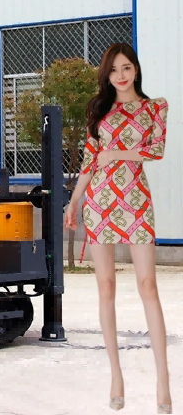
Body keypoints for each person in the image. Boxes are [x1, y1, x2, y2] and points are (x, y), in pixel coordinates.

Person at [64, 43, 171, 414]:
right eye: (113, 70)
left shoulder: (155, 107)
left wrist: (118, 154)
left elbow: (156, 150)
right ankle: (115, 375)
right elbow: (89, 160)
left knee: (148, 285)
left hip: (136, 201)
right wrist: (74, 200)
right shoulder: (99, 109)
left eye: (126, 68)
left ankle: (163, 379)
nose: (120, 76)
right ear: (107, 75)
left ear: (135, 70)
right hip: (100, 202)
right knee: (105, 286)